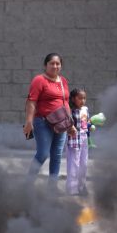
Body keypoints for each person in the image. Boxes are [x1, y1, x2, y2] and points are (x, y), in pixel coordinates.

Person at [23, 53, 74, 190]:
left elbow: (66, 103)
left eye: (58, 63)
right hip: (43, 122)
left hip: (61, 123)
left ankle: (52, 188)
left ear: (61, 66)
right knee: (43, 154)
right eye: (52, 63)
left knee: (57, 155)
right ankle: (27, 185)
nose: (55, 66)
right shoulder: (39, 80)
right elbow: (31, 102)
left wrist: (70, 124)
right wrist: (29, 122)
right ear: (45, 65)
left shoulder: (63, 81)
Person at [66, 88, 90, 196]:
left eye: (84, 98)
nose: (83, 100)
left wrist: (91, 125)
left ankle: (81, 186)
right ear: (73, 99)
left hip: (84, 138)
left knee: (84, 163)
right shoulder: (69, 110)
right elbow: (67, 124)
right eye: (80, 98)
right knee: (73, 163)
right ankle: (72, 188)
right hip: (74, 138)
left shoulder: (85, 109)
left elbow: (87, 122)